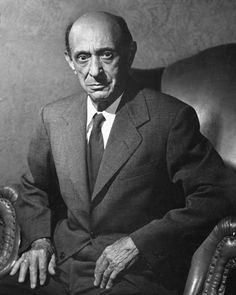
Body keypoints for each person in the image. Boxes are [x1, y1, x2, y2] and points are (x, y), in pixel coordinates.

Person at [0, 11, 235, 295]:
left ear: (130, 53)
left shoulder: (170, 118)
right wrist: (39, 241)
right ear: (69, 61)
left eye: (107, 55)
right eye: (83, 57)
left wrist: (139, 243)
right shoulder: (53, 117)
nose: (94, 71)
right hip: (60, 264)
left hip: (130, 273)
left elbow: (217, 193)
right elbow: (33, 186)